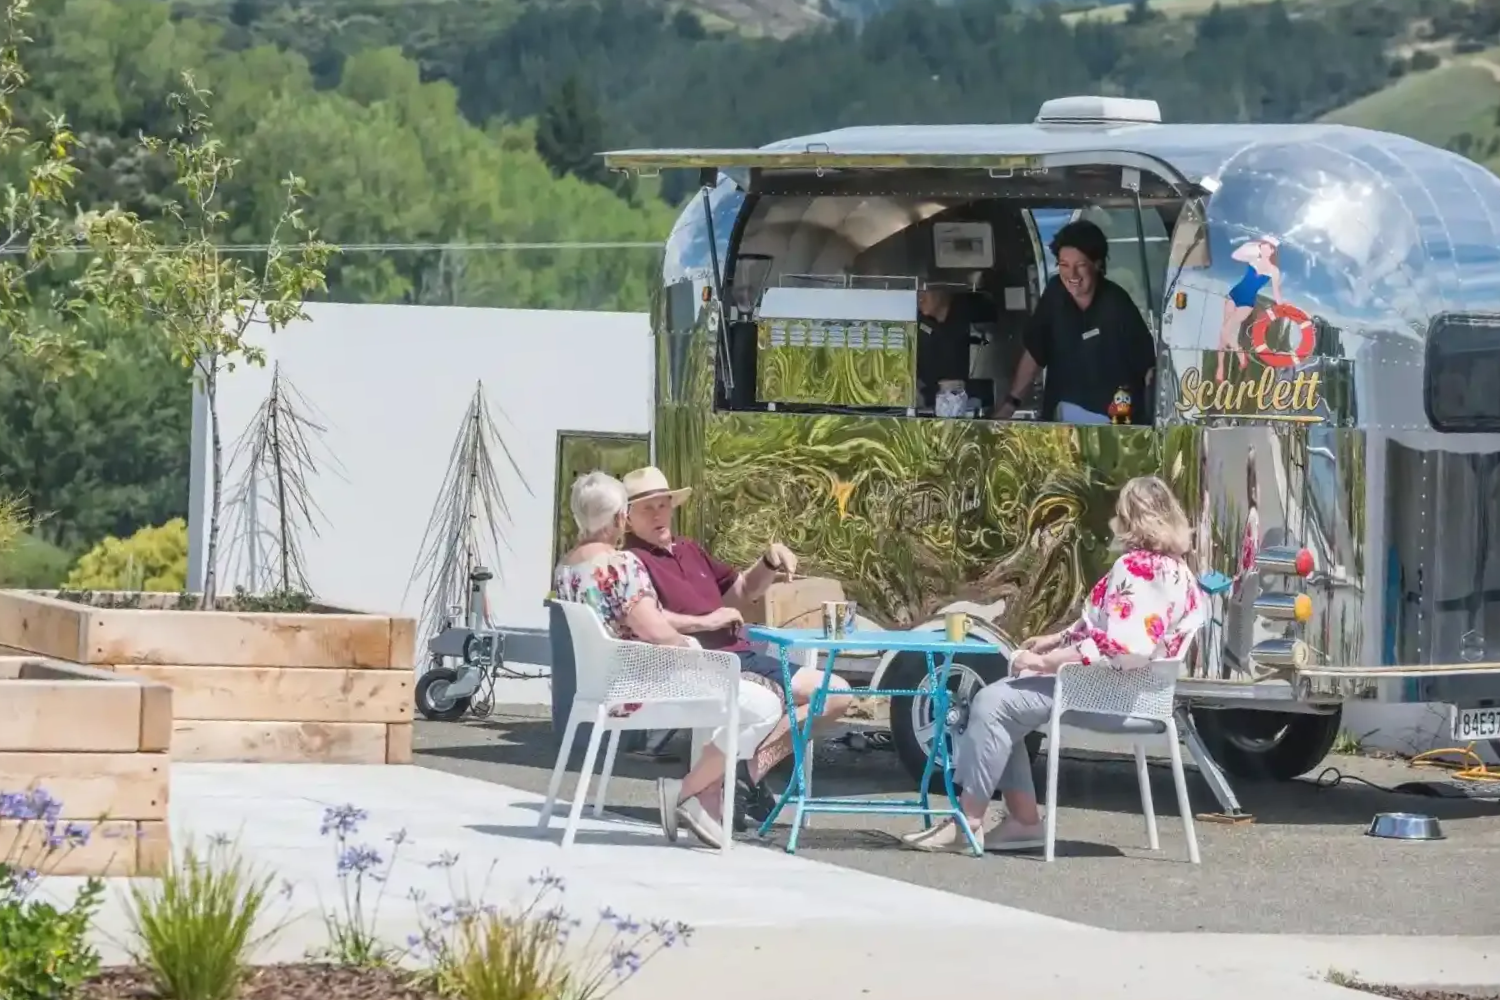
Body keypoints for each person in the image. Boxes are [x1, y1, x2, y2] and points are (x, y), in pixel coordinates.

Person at [901, 476, 1207, 854]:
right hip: (1145, 695)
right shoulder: (1179, 571)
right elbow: (1108, 630)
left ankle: (970, 821)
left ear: (1132, 519)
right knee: (1003, 700)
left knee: (992, 703)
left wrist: (1044, 661)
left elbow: (1116, 647)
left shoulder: (1136, 568)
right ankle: (1020, 821)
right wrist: (1057, 639)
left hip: (1110, 695)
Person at [553, 471, 785, 850]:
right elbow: (656, 632)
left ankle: (701, 793)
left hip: (602, 686)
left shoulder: (566, 569)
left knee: (749, 697)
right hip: (644, 685)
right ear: (618, 519)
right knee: (765, 705)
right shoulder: (621, 565)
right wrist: (695, 648)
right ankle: (692, 791)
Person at [621, 466, 855, 834]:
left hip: (741, 652)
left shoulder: (688, 548)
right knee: (773, 703)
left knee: (837, 693)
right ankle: (727, 784)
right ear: (627, 518)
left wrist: (769, 561)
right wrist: (708, 621)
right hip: (701, 661)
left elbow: (741, 593)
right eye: (647, 508)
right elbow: (647, 618)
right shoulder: (632, 563)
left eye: (664, 505)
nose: (658, 514)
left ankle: (748, 773)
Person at [993, 220, 1156, 425]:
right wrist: (1011, 402)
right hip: (1060, 424)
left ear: (1097, 264)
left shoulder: (1117, 305)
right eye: (1064, 265)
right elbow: (1035, 351)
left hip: (1114, 425)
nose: (1072, 275)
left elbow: (1149, 368)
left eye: (1080, 265)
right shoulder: (1054, 294)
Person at [1215, 236, 1282, 381]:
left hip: (1247, 302)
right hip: (1234, 295)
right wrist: (1252, 243)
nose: (1264, 249)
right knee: (1224, 332)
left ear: (1272, 251)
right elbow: (1235, 255)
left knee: (1225, 330)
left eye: (1268, 247)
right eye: (1262, 246)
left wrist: (1282, 308)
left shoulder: (1274, 270)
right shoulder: (1253, 259)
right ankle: (1220, 367)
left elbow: (1276, 292)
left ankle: (1239, 354)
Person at [916, 285, 975, 410]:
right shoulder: (917, 324)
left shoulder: (967, 320)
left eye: (925, 289)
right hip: (923, 404)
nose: (919, 296)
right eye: (917, 290)